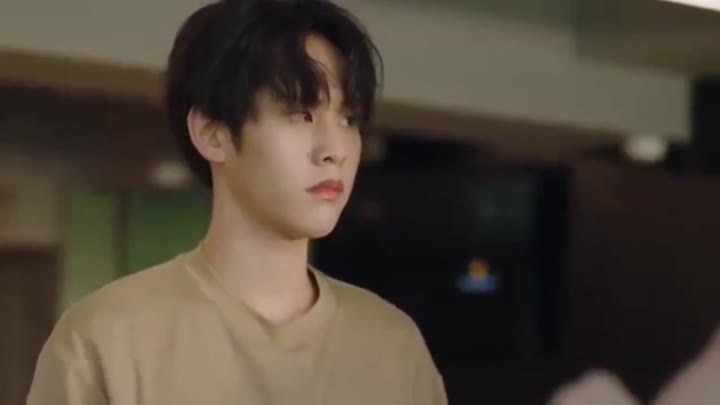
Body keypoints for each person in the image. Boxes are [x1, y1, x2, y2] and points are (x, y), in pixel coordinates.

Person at [27, 1, 447, 404]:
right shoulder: (104, 340)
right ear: (212, 133)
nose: (334, 150)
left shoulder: (394, 346)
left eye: (347, 119)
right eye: (301, 115)